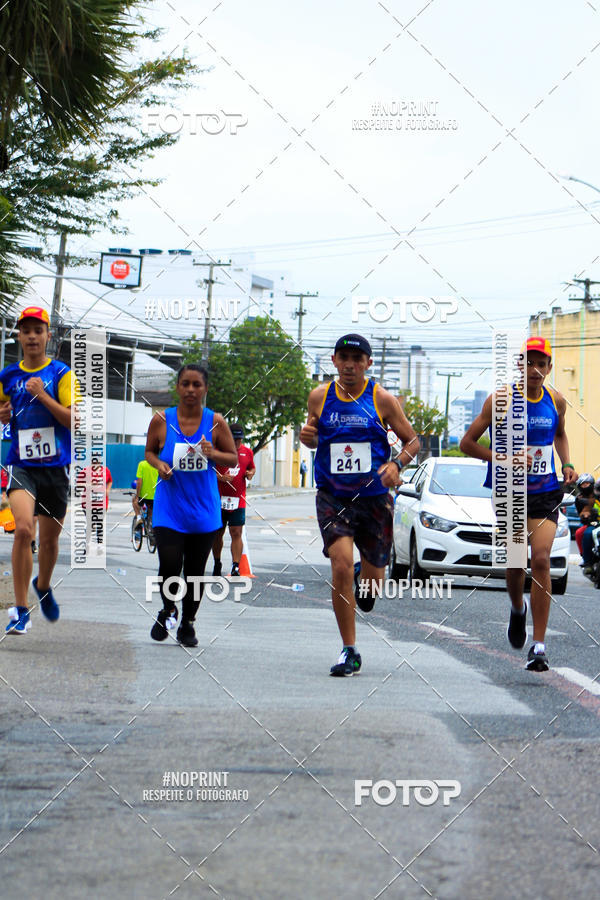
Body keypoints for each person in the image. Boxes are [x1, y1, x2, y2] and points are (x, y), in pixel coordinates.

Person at [300, 333, 419, 677]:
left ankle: (362, 577)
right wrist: (308, 437)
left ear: (368, 363)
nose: (350, 365)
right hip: (332, 495)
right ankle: (349, 650)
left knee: (371, 586)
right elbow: (312, 435)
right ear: (334, 361)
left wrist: (396, 464)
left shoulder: (382, 399)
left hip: (374, 500)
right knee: (339, 564)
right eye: (344, 358)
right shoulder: (319, 397)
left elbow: (412, 441)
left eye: (357, 359)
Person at [460, 336, 577, 671]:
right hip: (509, 490)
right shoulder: (499, 401)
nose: (536, 370)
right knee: (515, 561)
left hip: (545, 492)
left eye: (542, 364)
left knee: (541, 558)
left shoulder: (556, 401)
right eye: (529, 362)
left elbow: (560, 434)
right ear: (519, 365)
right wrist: (505, 459)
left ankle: (539, 645)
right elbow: (468, 443)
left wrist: (566, 463)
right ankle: (516, 608)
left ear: (549, 368)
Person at [145, 364, 237, 648]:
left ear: (205, 389)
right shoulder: (161, 419)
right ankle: (168, 608)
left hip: (204, 511)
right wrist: (159, 464)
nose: (190, 390)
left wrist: (214, 452)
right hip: (169, 508)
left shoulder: (216, 422)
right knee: (170, 565)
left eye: (197, 385)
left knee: (196, 571)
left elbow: (232, 459)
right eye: (185, 384)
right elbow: (149, 451)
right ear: (177, 387)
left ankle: (188, 623)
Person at [0, 306, 78, 634]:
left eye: (38, 330)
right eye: (25, 330)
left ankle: (42, 584)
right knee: (22, 531)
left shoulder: (61, 373)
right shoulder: (7, 376)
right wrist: (3, 415)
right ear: (18, 335)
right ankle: (20, 609)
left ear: (47, 335)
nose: (31, 336)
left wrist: (43, 396)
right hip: (22, 466)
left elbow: (73, 420)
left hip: (56, 468)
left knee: (49, 542)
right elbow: (4, 412)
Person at [212, 423, 255, 577]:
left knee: (236, 532)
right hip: (219, 499)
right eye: (233, 439)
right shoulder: (218, 451)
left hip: (238, 499)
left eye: (239, 439)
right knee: (218, 533)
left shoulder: (247, 452)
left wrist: (250, 473)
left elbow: (251, 467)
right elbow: (207, 472)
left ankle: (235, 566)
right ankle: (217, 562)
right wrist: (220, 477)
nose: (236, 443)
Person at [573, 473, 595, 562]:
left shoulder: (597, 495)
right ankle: (585, 557)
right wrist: (585, 517)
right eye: (583, 484)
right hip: (591, 524)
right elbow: (580, 514)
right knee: (579, 533)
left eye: (587, 483)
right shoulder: (579, 498)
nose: (585, 485)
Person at [133, 457, 158, 532]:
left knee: (134, 501)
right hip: (155, 495)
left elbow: (139, 481)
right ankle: (150, 528)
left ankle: (139, 518)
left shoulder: (142, 464)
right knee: (151, 512)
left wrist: (137, 495)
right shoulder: (159, 465)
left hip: (143, 495)